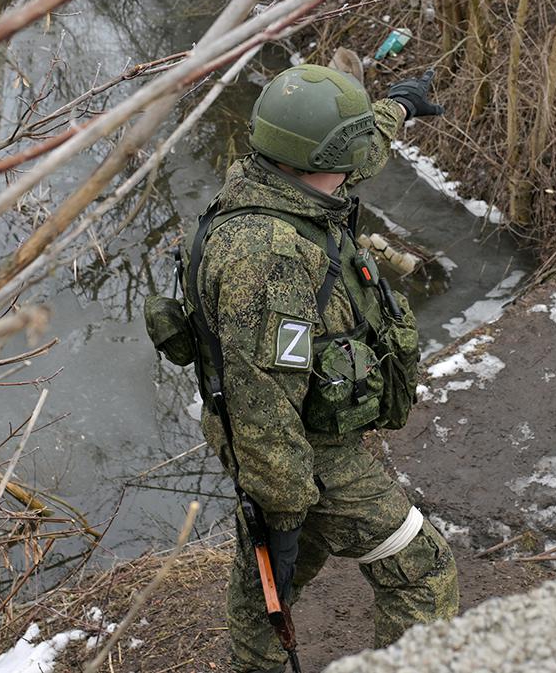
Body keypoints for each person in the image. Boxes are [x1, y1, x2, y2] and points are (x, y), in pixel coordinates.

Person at [185, 63, 458, 672]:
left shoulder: (276, 177)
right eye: (350, 145)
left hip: (295, 447)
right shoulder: (270, 256)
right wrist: (284, 505)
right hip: (305, 452)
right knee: (421, 571)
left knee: (267, 592)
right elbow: (260, 405)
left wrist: (399, 109)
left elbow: (356, 156)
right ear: (316, 158)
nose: (359, 164)